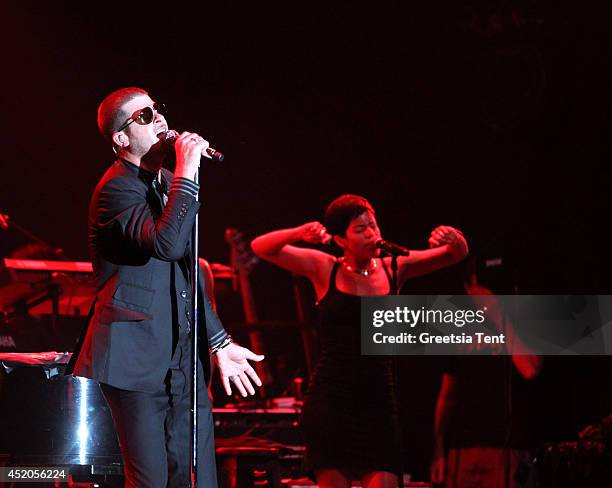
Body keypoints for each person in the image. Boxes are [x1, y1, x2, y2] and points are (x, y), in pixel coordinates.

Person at [70, 87, 264, 488]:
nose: (158, 118)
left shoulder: (162, 184)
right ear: (120, 139)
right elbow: (167, 243)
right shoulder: (116, 190)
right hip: (133, 359)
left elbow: (186, 274)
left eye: (157, 109)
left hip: (181, 356)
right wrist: (187, 171)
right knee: (151, 481)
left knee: (196, 476)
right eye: (143, 116)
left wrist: (220, 343)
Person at [251, 194, 468, 488]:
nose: (372, 234)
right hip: (331, 401)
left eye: (373, 226)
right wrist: (301, 232)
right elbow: (260, 247)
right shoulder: (326, 267)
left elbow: (456, 254)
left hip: (379, 401)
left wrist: (452, 237)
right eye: (361, 229)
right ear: (341, 240)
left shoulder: (395, 266)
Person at [430, 257, 542, 488]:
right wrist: (439, 450)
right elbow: (447, 395)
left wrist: (497, 314)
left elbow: (530, 369)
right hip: (461, 450)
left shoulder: (522, 320)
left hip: (507, 450)